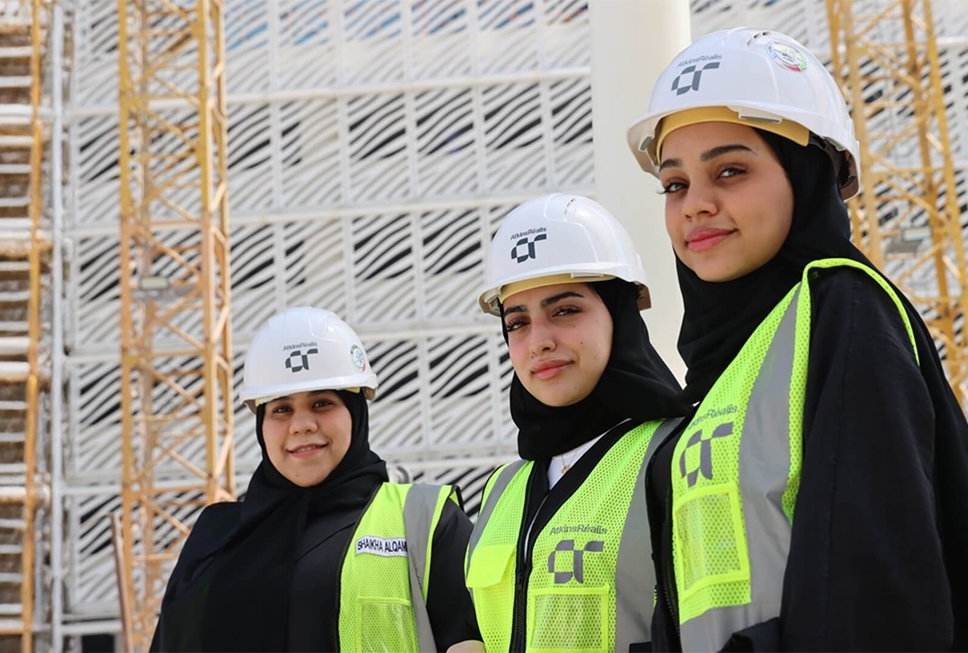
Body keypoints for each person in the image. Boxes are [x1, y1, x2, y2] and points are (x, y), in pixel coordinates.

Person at [625, 27, 968, 650]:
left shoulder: (844, 308)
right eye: (674, 184)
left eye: (730, 170)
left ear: (805, 174)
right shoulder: (723, 368)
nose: (695, 204)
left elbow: (873, 588)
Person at [150, 306, 484, 652]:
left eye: (322, 403)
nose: (301, 424)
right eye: (281, 408)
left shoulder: (424, 522)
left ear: (356, 413)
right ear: (260, 424)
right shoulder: (217, 537)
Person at [465, 194, 689, 652]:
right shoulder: (501, 490)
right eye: (517, 322)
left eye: (565, 310)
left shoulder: (676, 457)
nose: (539, 342)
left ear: (619, 314)